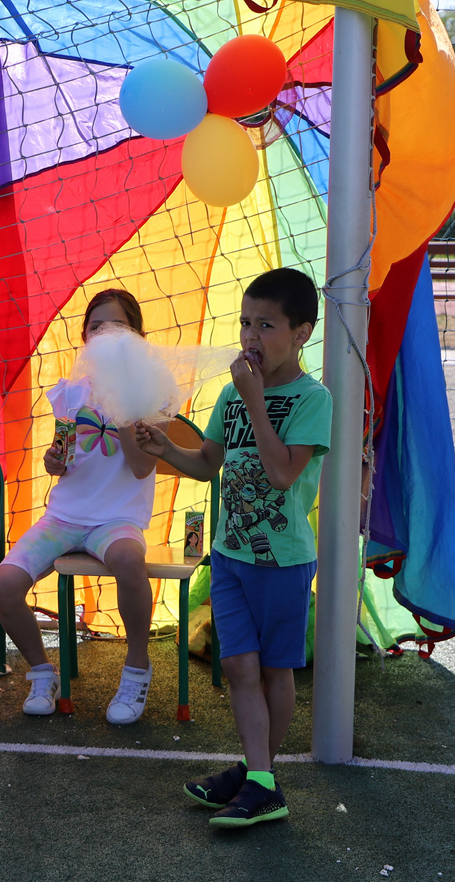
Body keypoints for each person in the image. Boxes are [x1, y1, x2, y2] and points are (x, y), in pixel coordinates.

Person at [136, 267, 332, 828]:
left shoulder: (312, 399)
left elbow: (281, 474)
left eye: (266, 325)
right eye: (246, 322)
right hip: (229, 557)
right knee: (238, 666)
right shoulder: (231, 394)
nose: (250, 336)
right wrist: (164, 449)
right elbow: (207, 464)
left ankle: (260, 779)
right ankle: (258, 775)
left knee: (273, 670)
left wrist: (255, 402)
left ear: (301, 333)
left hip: (282, 562)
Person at [0, 289, 159, 725]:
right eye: (96, 327)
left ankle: (136, 668)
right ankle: (43, 673)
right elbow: (62, 456)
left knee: (129, 560)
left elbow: (142, 467)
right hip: (64, 518)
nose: (105, 336)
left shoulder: (149, 394)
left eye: (117, 327)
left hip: (117, 520)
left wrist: (124, 408)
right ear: (84, 337)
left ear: (137, 337)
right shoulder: (70, 393)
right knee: (4, 585)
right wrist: (54, 461)